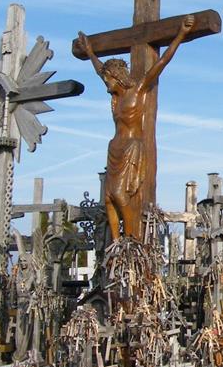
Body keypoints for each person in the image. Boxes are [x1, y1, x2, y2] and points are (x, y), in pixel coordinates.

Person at [77, 15, 195, 241]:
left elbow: (161, 63)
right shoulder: (116, 95)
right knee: (109, 199)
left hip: (132, 147)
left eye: (108, 78)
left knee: (121, 196)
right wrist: (90, 51)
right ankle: (116, 244)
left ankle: (131, 241)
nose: (105, 81)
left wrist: (180, 34)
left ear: (117, 77)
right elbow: (99, 68)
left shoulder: (137, 90)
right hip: (115, 148)